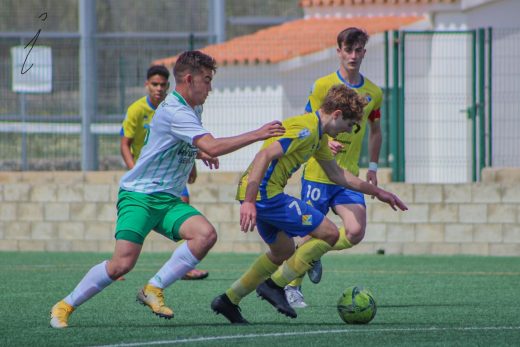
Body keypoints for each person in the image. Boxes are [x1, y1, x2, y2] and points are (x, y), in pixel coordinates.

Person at [50, 50, 285, 328]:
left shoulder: (194, 106)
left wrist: (198, 154)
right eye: (207, 80)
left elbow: (172, 144)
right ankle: (64, 305)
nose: (210, 87)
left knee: (205, 235)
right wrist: (257, 134)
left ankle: (154, 288)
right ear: (188, 79)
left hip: (168, 199)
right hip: (139, 196)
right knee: (121, 265)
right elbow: (210, 143)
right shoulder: (176, 109)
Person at [211, 84, 407, 324]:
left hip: (263, 195)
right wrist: (249, 201)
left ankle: (229, 300)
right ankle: (274, 286)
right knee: (329, 233)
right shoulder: (305, 129)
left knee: (283, 251)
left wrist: (379, 192)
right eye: (348, 125)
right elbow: (264, 155)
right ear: (336, 114)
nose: (347, 131)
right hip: (265, 195)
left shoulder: (318, 136)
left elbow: (338, 175)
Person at [284, 27, 384, 308]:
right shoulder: (321, 86)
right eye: (348, 50)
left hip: (348, 175)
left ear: (364, 52)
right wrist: (324, 144)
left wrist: (373, 166)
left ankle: (314, 254)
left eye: (358, 50)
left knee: (355, 231)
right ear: (338, 51)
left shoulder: (373, 93)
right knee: (307, 232)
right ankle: (292, 287)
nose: (353, 55)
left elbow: (376, 131)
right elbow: (309, 122)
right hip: (318, 172)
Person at [119, 65, 208, 281]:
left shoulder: (185, 108)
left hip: (172, 173)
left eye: (162, 85)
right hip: (144, 180)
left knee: (189, 212)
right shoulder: (137, 110)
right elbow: (124, 144)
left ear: (169, 86)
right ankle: (117, 265)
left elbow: (189, 140)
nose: (158, 89)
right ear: (146, 85)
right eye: (154, 84)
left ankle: (183, 265)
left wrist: (192, 164)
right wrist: (135, 170)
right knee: (124, 255)